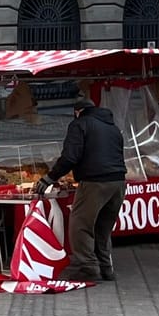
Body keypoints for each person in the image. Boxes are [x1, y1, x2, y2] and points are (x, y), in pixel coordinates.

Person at [42, 98, 127, 283]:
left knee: (80, 225)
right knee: (103, 228)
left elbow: (70, 157)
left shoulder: (79, 124)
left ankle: (87, 268)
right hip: (118, 182)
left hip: (95, 182)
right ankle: (106, 268)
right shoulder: (112, 127)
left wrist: (49, 178)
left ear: (77, 111)